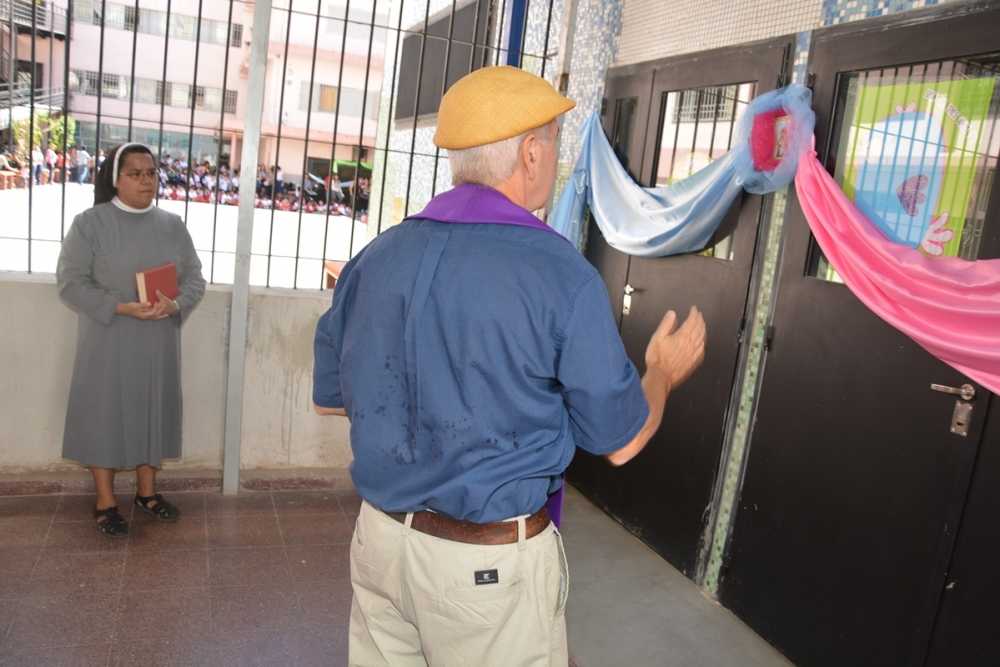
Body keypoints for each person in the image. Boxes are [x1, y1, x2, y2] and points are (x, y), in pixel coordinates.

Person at [312, 66, 707, 665]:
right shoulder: (559, 274)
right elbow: (622, 442)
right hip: (484, 574)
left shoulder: (375, 257)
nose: (555, 158)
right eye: (553, 142)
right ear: (530, 153)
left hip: (380, 543)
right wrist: (662, 372)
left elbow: (330, 398)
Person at [56, 143, 206, 537]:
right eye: (135, 173)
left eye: (151, 173)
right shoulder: (90, 224)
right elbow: (70, 283)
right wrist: (120, 307)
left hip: (157, 341)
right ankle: (105, 500)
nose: (146, 180)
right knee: (103, 414)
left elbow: (195, 278)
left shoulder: (172, 225)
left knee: (151, 410)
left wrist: (176, 303)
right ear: (115, 179)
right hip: (108, 340)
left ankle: (147, 493)